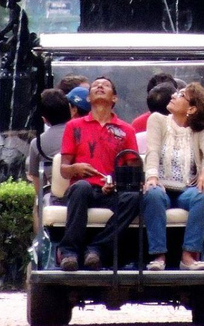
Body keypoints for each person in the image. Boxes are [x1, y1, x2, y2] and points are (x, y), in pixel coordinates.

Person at [57, 76, 140, 271]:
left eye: (106, 85)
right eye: (95, 85)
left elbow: (132, 170)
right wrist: (76, 168)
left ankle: (97, 248)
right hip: (82, 190)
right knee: (82, 187)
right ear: (88, 98)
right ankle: (69, 252)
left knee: (134, 198)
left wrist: (117, 183)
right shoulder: (74, 126)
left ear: (115, 99)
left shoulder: (126, 130)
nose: (100, 86)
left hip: (110, 191)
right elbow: (64, 170)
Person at [141, 82, 204, 271]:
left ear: (192, 108)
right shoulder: (157, 120)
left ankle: (189, 255)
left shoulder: (200, 129)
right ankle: (158, 256)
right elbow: (152, 151)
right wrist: (152, 176)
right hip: (161, 187)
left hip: (187, 190)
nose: (174, 95)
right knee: (153, 194)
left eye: (181, 95)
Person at [27, 88, 71, 233]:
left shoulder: (37, 143)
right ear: (69, 109)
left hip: (58, 196)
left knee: (38, 202)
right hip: (88, 190)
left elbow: (38, 186)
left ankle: (40, 244)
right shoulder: (81, 132)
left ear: (44, 119)